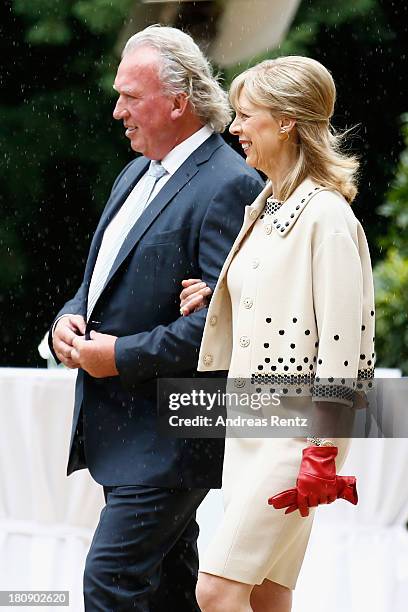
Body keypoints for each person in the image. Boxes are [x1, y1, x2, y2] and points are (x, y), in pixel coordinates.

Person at [48, 25, 263, 611]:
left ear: (178, 102)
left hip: (174, 434)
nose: (117, 111)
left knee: (109, 583)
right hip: (127, 434)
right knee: (169, 590)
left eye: (129, 96)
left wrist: (117, 357)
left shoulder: (232, 184)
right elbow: (97, 285)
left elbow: (228, 325)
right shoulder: (134, 173)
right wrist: (66, 321)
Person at [179, 56, 375, 612]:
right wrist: (220, 295)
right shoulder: (268, 207)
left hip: (296, 436)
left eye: (246, 115)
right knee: (266, 594)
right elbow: (278, 303)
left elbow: (343, 344)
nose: (235, 128)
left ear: (286, 122)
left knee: (216, 590)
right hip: (251, 428)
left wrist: (320, 451)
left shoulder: (327, 216)